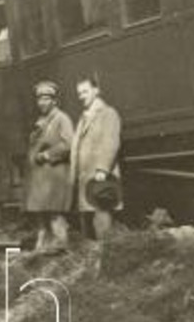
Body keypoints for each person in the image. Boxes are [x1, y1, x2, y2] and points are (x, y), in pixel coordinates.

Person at [24, 80, 74, 252]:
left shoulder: (61, 119)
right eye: (39, 100)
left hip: (54, 174)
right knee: (42, 214)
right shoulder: (42, 120)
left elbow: (68, 144)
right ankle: (44, 247)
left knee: (54, 212)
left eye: (46, 99)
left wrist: (46, 155)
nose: (42, 103)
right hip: (41, 177)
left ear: (54, 101)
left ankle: (61, 245)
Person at [73, 75, 122, 242]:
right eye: (79, 93)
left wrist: (102, 169)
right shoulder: (84, 117)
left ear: (96, 90)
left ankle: (105, 255)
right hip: (86, 176)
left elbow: (111, 142)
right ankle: (95, 257)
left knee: (102, 216)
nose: (81, 96)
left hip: (99, 175)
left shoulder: (107, 113)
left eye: (85, 92)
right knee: (89, 219)